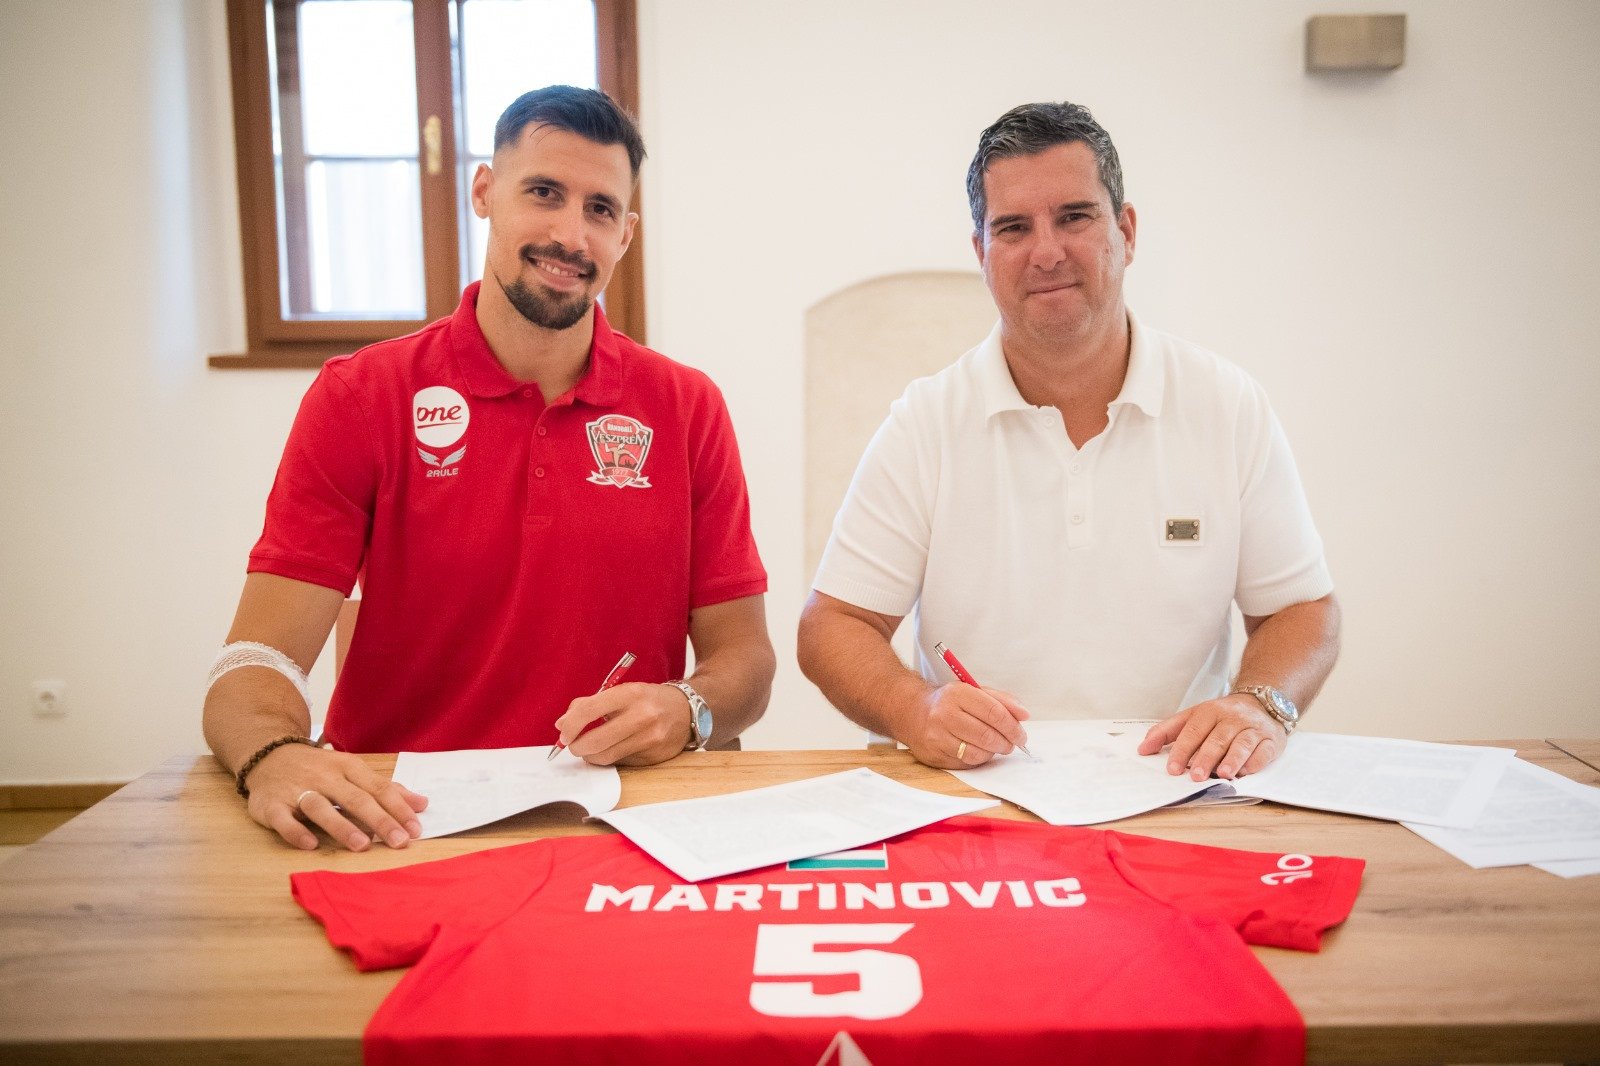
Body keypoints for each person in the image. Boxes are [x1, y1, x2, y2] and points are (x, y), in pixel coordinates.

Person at [205, 86, 775, 853]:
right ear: (484, 192)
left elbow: (746, 663)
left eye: (600, 209)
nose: (570, 234)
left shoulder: (686, 407)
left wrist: (688, 707)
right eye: (544, 193)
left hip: (617, 823)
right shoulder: (361, 396)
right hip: (399, 824)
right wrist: (274, 754)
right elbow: (255, 659)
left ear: (626, 234)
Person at [797, 101, 1338, 781]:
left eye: (1074, 217)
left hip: (1180, 786)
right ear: (981, 253)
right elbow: (833, 624)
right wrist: (916, 707)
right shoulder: (925, 423)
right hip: (978, 787)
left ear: (1126, 232)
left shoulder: (1226, 407)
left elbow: (1301, 609)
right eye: (1013, 228)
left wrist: (1260, 704)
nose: (1047, 252)